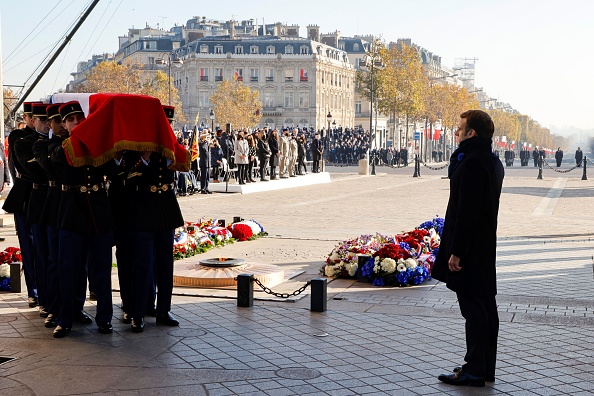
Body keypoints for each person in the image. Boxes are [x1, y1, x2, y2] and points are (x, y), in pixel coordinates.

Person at [432, 110, 504, 387]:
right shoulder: (490, 159)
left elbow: (468, 211)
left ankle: (474, 370)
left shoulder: (473, 162)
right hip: (484, 245)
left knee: (473, 311)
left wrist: (458, 250)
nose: (456, 133)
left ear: (472, 133)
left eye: (461, 128)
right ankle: (484, 368)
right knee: (486, 308)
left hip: (471, 248)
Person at [50, 101, 114, 338]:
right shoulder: (58, 145)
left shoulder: (98, 143)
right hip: (72, 212)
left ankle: (104, 318)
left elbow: (112, 168)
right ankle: (65, 318)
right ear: (64, 125)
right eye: (71, 120)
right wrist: (78, 138)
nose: (77, 122)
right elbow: (58, 163)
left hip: (98, 212)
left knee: (101, 269)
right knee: (69, 269)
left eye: (80, 119)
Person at [3, 102, 39, 307]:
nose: (35, 121)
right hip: (25, 195)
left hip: (44, 196)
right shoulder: (18, 137)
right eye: (31, 117)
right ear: (25, 118)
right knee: (28, 245)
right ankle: (33, 290)